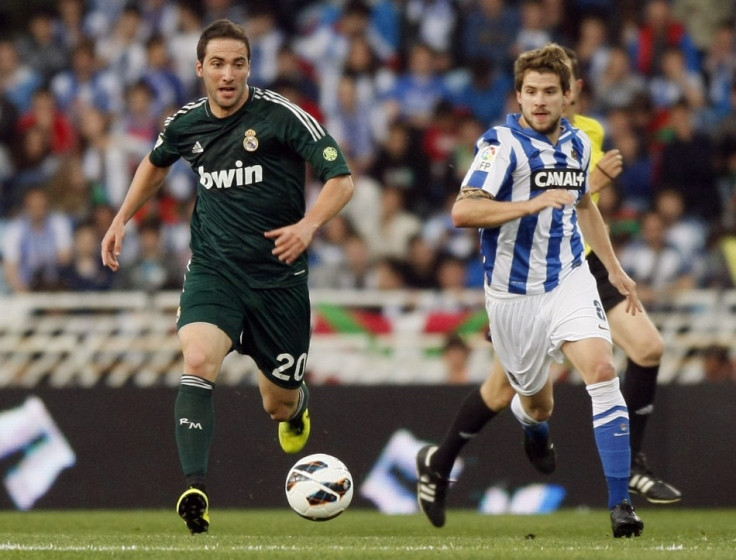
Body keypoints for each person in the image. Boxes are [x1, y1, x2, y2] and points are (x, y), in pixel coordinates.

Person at [100, 19, 354, 535]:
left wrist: (308, 225)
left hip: (278, 281)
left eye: (238, 63)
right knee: (196, 358)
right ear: (199, 69)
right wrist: (121, 217)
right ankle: (195, 487)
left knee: (276, 404)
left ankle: (296, 403)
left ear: (249, 68)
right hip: (214, 271)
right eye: (217, 63)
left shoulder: (282, 116)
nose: (227, 74)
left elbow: (341, 180)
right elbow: (155, 163)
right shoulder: (185, 124)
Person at [415, 43, 644, 538]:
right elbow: (463, 211)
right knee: (537, 404)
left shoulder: (580, 144)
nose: (539, 101)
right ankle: (533, 427)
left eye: (550, 92)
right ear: (517, 96)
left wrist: (615, 268)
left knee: (604, 370)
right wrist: (532, 203)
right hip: (514, 296)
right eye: (530, 92)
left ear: (568, 97)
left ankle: (620, 506)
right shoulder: (501, 144)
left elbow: (585, 207)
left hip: (568, 279)